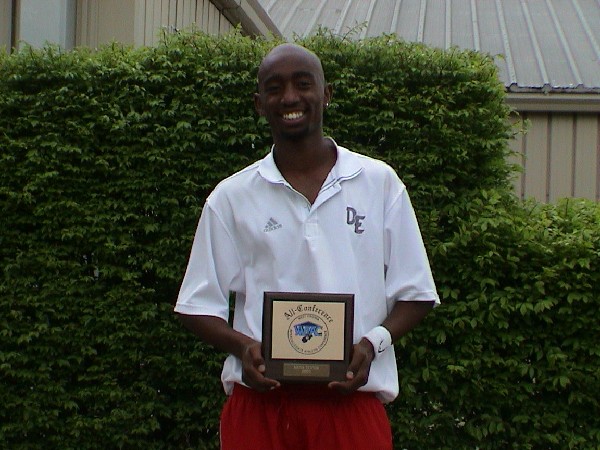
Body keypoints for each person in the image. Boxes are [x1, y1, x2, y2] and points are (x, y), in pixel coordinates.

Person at [174, 43, 440, 449]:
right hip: (260, 407)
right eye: (275, 88)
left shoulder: (378, 183)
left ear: (326, 94)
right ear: (259, 103)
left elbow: (416, 293)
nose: (290, 98)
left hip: (351, 407)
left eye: (303, 84)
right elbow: (195, 304)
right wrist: (244, 348)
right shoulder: (232, 196)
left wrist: (372, 345)